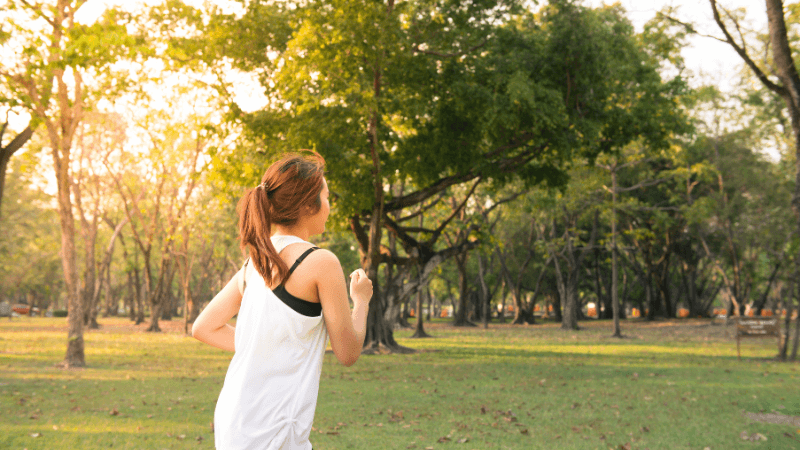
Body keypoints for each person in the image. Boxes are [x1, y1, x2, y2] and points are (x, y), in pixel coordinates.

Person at [192, 152, 373, 449]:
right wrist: (361, 301)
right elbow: (348, 352)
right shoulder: (321, 262)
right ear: (307, 205)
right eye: (326, 198)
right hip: (274, 426)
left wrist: (261, 345)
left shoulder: (255, 263)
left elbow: (204, 327)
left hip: (234, 419)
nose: (329, 207)